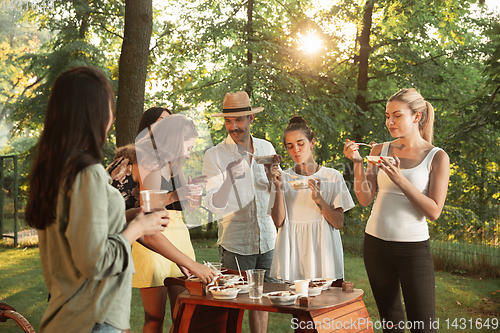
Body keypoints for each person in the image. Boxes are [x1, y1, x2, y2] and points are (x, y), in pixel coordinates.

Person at [25, 66, 168, 333]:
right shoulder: (86, 173)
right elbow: (96, 260)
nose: (112, 116)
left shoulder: (56, 169)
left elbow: (80, 231)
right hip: (92, 319)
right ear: (95, 113)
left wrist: (128, 216)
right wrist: (138, 229)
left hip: (69, 317)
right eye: (109, 106)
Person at [343, 88, 450, 333]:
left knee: (423, 327)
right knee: (391, 325)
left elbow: (433, 212)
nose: (389, 122)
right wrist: (358, 164)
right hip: (375, 245)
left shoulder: (436, 157)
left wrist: (401, 179)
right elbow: (364, 198)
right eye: (387, 115)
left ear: (417, 116)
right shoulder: (379, 150)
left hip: (413, 249)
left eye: (397, 115)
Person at [107, 110, 215, 333]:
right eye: (188, 147)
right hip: (135, 237)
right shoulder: (147, 159)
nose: (190, 152)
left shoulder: (170, 162)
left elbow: (170, 207)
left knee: (183, 313)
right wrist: (176, 195)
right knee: (143, 318)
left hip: (160, 230)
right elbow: (149, 216)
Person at [202, 91, 278, 333]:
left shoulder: (266, 147)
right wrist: (228, 181)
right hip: (236, 245)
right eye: (228, 121)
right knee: (231, 308)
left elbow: (276, 193)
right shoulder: (214, 155)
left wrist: (275, 180)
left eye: (239, 120)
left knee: (261, 304)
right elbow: (213, 206)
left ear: (251, 119)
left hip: (268, 241)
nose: (233, 127)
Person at [269, 115, 355, 284]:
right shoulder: (282, 177)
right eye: (290, 146)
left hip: (325, 256)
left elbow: (338, 223)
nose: (296, 150)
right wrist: (278, 188)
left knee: (329, 308)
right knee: (299, 308)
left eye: (301, 144)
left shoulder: (332, 176)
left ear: (312, 143)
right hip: (294, 256)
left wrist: (319, 200)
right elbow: (279, 222)